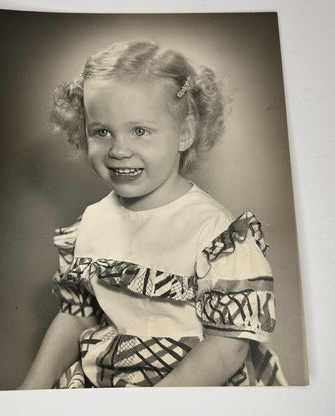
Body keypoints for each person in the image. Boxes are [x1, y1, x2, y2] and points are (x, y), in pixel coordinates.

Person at [19, 41, 287, 389]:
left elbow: (227, 347)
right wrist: (29, 393)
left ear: (185, 132)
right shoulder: (92, 222)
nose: (118, 150)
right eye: (102, 131)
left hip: (191, 386)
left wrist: (154, 403)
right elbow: (78, 317)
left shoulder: (212, 230)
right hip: (108, 379)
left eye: (140, 131)